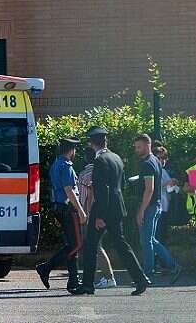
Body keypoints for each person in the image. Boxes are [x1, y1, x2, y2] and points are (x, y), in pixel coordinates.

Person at [77, 127, 148, 296]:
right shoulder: (116, 158)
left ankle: (87, 284)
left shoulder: (99, 160)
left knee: (90, 245)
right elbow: (119, 185)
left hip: (104, 207)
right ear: (106, 141)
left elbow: (101, 189)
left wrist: (100, 215)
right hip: (117, 206)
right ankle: (140, 278)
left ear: (92, 143)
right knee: (121, 244)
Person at [35, 138, 87, 293]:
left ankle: (73, 281)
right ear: (71, 150)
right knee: (76, 244)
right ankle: (46, 267)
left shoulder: (55, 164)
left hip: (59, 207)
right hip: (68, 208)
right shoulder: (66, 166)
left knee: (71, 244)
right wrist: (81, 211)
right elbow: (69, 190)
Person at [133, 134, 180, 284]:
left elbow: (149, 189)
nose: (136, 150)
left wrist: (141, 210)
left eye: (139, 147)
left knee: (146, 241)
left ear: (148, 145)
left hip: (149, 206)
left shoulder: (147, 163)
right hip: (156, 205)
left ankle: (146, 275)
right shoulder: (155, 161)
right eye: (135, 147)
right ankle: (173, 266)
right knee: (150, 239)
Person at [77, 154, 117, 289]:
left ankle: (108, 277)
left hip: (89, 214)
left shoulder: (85, 174)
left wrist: (86, 215)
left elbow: (90, 196)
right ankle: (102, 278)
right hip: (97, 213)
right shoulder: (101, 171)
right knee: (96, 246)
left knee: (95, 247)